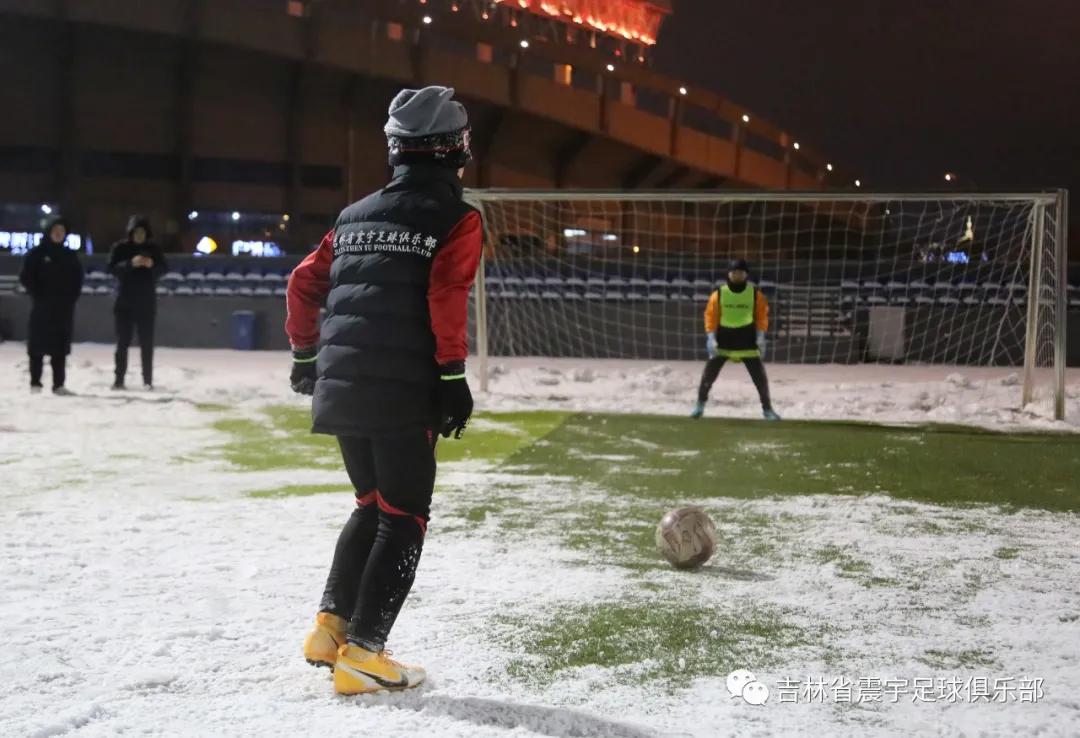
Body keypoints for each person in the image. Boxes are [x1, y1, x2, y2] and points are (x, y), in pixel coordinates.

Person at [286, 86, 481, 695]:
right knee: (404, 517)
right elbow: (445, 297)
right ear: (452, 148)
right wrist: (452, 377)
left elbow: (302, 284)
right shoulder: (457, 217)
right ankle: (365, 654)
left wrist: (305, 356)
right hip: (404, 389)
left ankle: (330, 630)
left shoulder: (353, 216)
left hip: (342, 386)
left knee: (371, 505)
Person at [691, 258, 781, 421]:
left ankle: (767, 409)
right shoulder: (719, 294)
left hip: (747, 340)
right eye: (734, 273)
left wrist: (761, 336)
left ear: (746, 275)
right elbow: (710, 316)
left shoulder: (755, 295)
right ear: (728, 274)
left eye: (740, 273)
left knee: (760, 378)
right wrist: (711, 337)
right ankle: (699, 406)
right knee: (708, 375)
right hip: (723, 341)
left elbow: (761, 317)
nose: (737, 276)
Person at [19, 215, 84, 395]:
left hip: (63, 309)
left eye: (61, 231)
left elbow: (77, 280)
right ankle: (35, 383)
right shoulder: (37, 253)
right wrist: (37, 294)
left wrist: (70, 299)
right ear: (48, 232)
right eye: (55, 230)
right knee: (37, 347)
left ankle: (58, 384)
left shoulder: (70, 255)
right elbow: (26, 277)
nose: (58, 233)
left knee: (60, 348)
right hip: (41, 307)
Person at [108, 215, 167, 389]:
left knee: (147, 344)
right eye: (136, 232)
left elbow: (164, 268)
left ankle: (147, 380)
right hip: (124, 303)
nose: (139, 235)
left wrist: (151, 265)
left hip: (146, 303)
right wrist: (130, 264)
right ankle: (119, 380)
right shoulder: (120, 248)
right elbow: (111, 268)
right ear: (131, 232)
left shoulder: (154, 249)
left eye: (142, 232)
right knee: (122, 343)